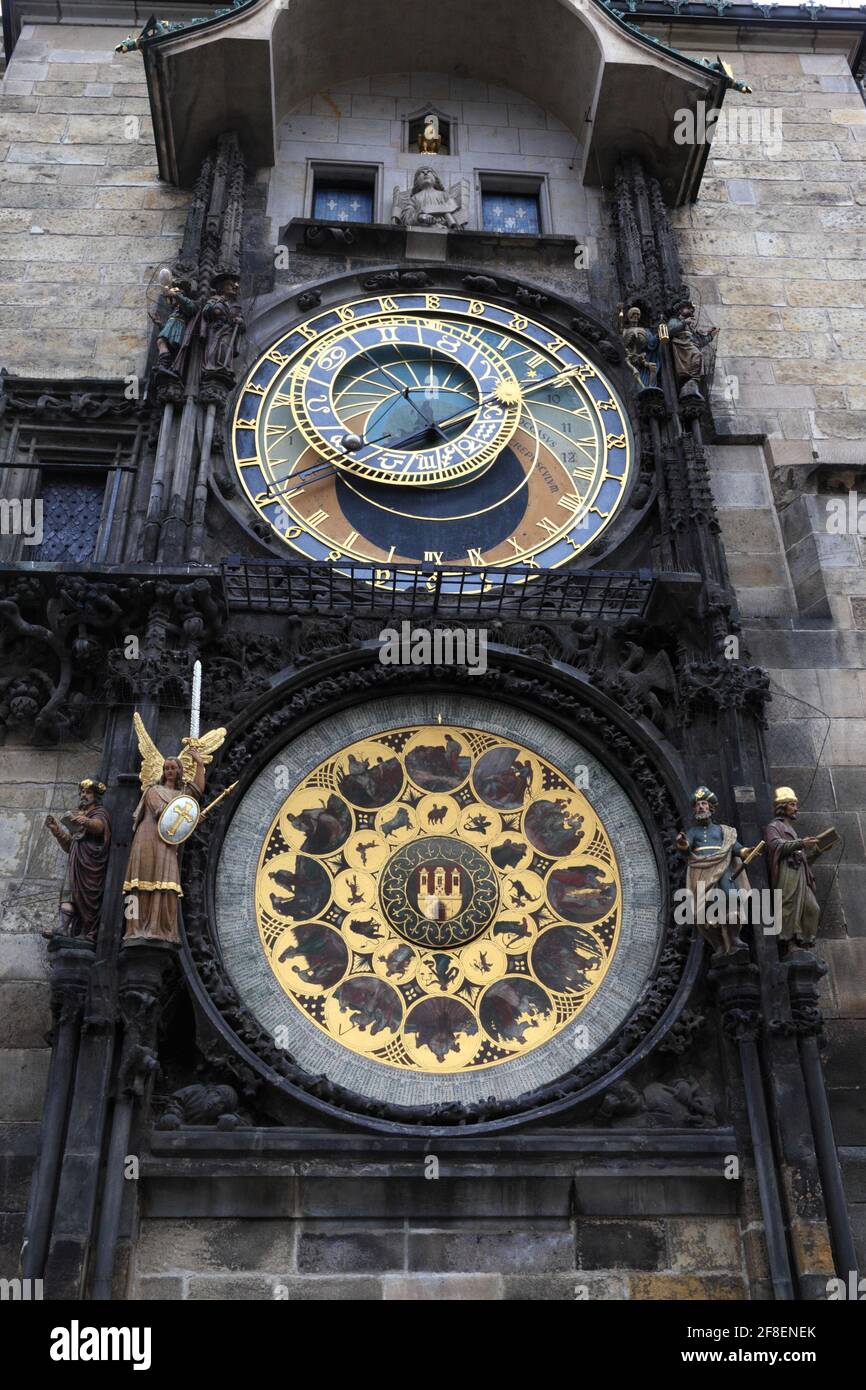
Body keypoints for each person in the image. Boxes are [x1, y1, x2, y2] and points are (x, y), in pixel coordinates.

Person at [676, 785, 757, 954]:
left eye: (704, 804)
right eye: (698, 805)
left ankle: (734, 938)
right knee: (708, 906)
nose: (701, 807)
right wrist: (683, 843)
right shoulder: (693, 832)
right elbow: (686, 848)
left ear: (710, 808)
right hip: (702, 872)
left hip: (723, 869)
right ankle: (718, 943)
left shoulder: (722, 831)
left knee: (731, 897)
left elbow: (734, 847)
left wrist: (745, 852)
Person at [44, 778, 111, 941]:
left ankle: (89, 932)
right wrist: (56, 831)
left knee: (88, 897)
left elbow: (100, 827)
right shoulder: (80, 816)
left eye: (88, 792)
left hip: (91, 863)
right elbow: (69, 844)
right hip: (75, 860)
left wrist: (86, 821)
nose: (84, 795)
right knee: (69, 893)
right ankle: (63, 928)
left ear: (96, 796)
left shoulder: (100, 813)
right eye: (82, 792)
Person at [764, 786, 831, 947]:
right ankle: (788, 943)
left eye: (795, 804)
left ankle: (805, 941)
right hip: (787, 872)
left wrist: (818, 850)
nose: (796, 808)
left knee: (812, 909)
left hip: (799, 873)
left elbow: (803, 859)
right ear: (783, 806)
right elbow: (775, 845)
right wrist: (801, 843)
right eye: (792, 804)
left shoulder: (791, 830)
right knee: (788, 904)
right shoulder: (773, 827)